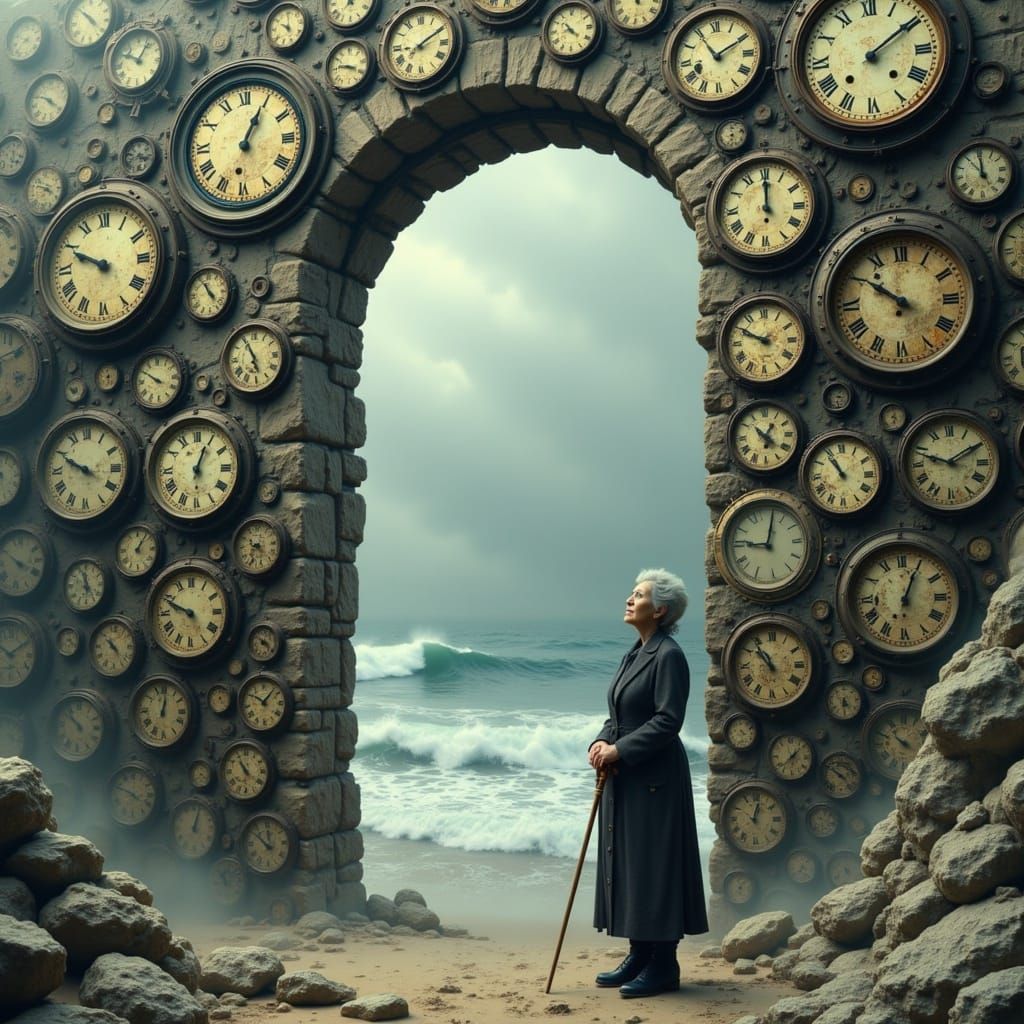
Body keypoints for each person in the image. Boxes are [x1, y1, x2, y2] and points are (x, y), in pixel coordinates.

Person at [587, 568, 709, 998]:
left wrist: (620, 750)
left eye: (637, 595)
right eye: (631, 592)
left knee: (655, 865)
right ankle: (640, 953)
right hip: (627, 776)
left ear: (659, 610)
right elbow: (618, 715)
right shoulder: (634, 654)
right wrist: (602, 740)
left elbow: (667, 720)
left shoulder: (669, 655)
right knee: (631, 863)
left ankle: (664, 964)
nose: (629, 599)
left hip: (655, 778)